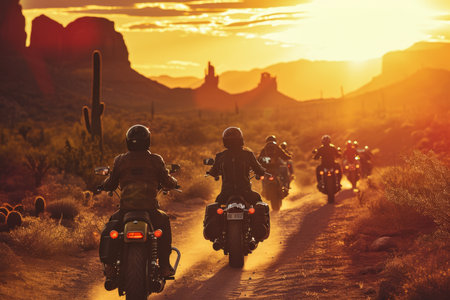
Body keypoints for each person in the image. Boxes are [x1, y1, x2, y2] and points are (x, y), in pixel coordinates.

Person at [98, 124, 178, 287]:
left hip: (126, 210)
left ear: (128, 142)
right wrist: (174, 183)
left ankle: (110, 267)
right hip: (149, 210)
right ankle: (164, 266)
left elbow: (111, 182)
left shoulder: (120, 160)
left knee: (110, 228)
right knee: (164, 224)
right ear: (147, 141)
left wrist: (104, 185)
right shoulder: (155, 160)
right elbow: (166, 180)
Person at [208, 127, 266, 205]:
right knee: (259, 203)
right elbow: (259, 170)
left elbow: (214, 172)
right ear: (240, 139)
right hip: (245, 192)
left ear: (225, 141)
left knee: (215, 208)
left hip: (226, 193)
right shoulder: (248, 154)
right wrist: (262, 171)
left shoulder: (220, 156)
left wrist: (210, 172)